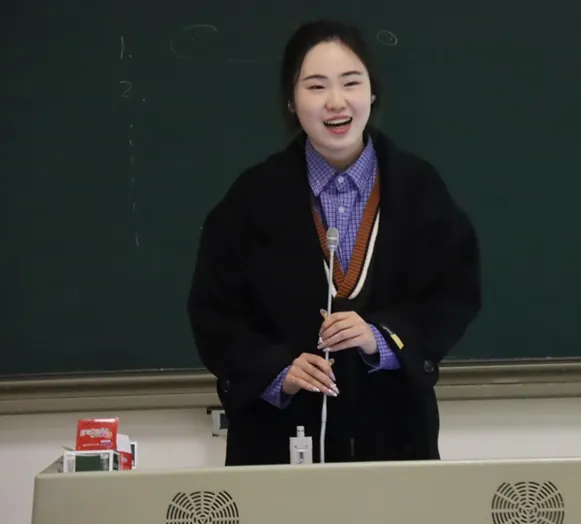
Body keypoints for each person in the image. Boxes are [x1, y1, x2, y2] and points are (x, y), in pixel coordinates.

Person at [187, 19, 481, 466]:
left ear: (372, 92)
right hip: (277, 444)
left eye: (351, 82)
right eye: (316, 86)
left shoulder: (419, 189)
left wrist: (382, 337)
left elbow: (454, 295)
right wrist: (276, 370)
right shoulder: (251, 198)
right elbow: (214, 313)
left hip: (396, 438)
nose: (336, 102)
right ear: (291, 101)